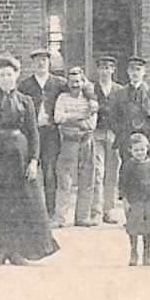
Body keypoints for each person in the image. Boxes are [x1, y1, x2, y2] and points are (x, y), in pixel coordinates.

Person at [0, 55, 59, 265]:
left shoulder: (26, 102)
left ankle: (19, 251)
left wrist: (34, 160)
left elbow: (34, 133)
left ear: (16, 76)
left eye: (10, 74)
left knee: (21, 203)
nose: (6, 78)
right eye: (2, 75)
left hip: (20, 154)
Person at [20, 48, 67, 215]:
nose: (41, 63)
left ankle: (50, 211)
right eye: (37, 60)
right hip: (31, 133)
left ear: (49, 62)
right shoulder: (25, 85)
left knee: (49, 171)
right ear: (33, 63)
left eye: (44, 60)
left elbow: (79, 90)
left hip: (51, 133)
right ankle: (30, 210)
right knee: (29, 170)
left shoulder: (59, 83)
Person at [51, 66, 100, 228]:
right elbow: (58, 117)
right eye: (72, 82)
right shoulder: (62, 98)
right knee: (65, 180)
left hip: (86, 141)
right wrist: (80, 117)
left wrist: (70, 119)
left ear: (83, 82)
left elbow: (91, 124)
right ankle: (60, 218)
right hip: (68, 142)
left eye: (78, 81)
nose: (75, 85)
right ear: (68, 83)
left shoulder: (90, 100)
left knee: (87, 179)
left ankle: (83, 217)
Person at [109, 56, 150, 174]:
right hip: (127, 139)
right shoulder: (120, 93)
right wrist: (121, 133)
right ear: (128, 72)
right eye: (132, 70)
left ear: (144, 72)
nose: (135, 73)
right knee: (128, 172)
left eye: (138, 69)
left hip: (149, 138)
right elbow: (113, 117)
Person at [119, 133, 150, 266]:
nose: (139, 152)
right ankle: (133, 252)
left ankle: (147, 253)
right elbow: (123, 183)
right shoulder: (128, 166)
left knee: (148, 228)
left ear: (147, 148)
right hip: (135, 201)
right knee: (134, 227)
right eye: (136, 150)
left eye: (142, 149)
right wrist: (124, 200)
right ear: (130, 150)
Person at [89, 55, 123, 223]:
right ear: (98, 70)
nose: (104, 71)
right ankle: (96, 210)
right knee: (97, 173)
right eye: (101, 68)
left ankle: (108, 210)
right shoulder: (91, 88)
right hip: (97, 133)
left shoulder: (120, 90)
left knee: (112, 173)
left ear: (113, 70)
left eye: (108, 68)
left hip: (114, 134)